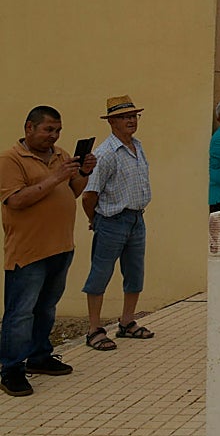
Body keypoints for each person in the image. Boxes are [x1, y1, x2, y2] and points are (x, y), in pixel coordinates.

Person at [0, 106, 96, 397]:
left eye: (58, 130)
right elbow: (16, 200)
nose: (54, 136)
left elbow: (72, 191)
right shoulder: (10, 159)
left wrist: (83, 172)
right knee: (20, 313)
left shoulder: (61, 155)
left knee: (46, 307)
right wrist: (55, 177)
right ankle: (11, 369)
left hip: (60, 246)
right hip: (28, 251)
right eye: (48, 130)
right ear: (29, 127)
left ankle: (40, 356)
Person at [82, 96, 155, 352]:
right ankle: (94, 329)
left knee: (135, 273)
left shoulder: (137, 146)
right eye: (125, 117)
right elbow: (89, 195)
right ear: (111, 122)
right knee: (100, 273)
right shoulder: (105, 154)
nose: (131, 121)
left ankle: (127, 321)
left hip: (136, 218)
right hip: (112, 220)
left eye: (134, 116)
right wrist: (95, 219)